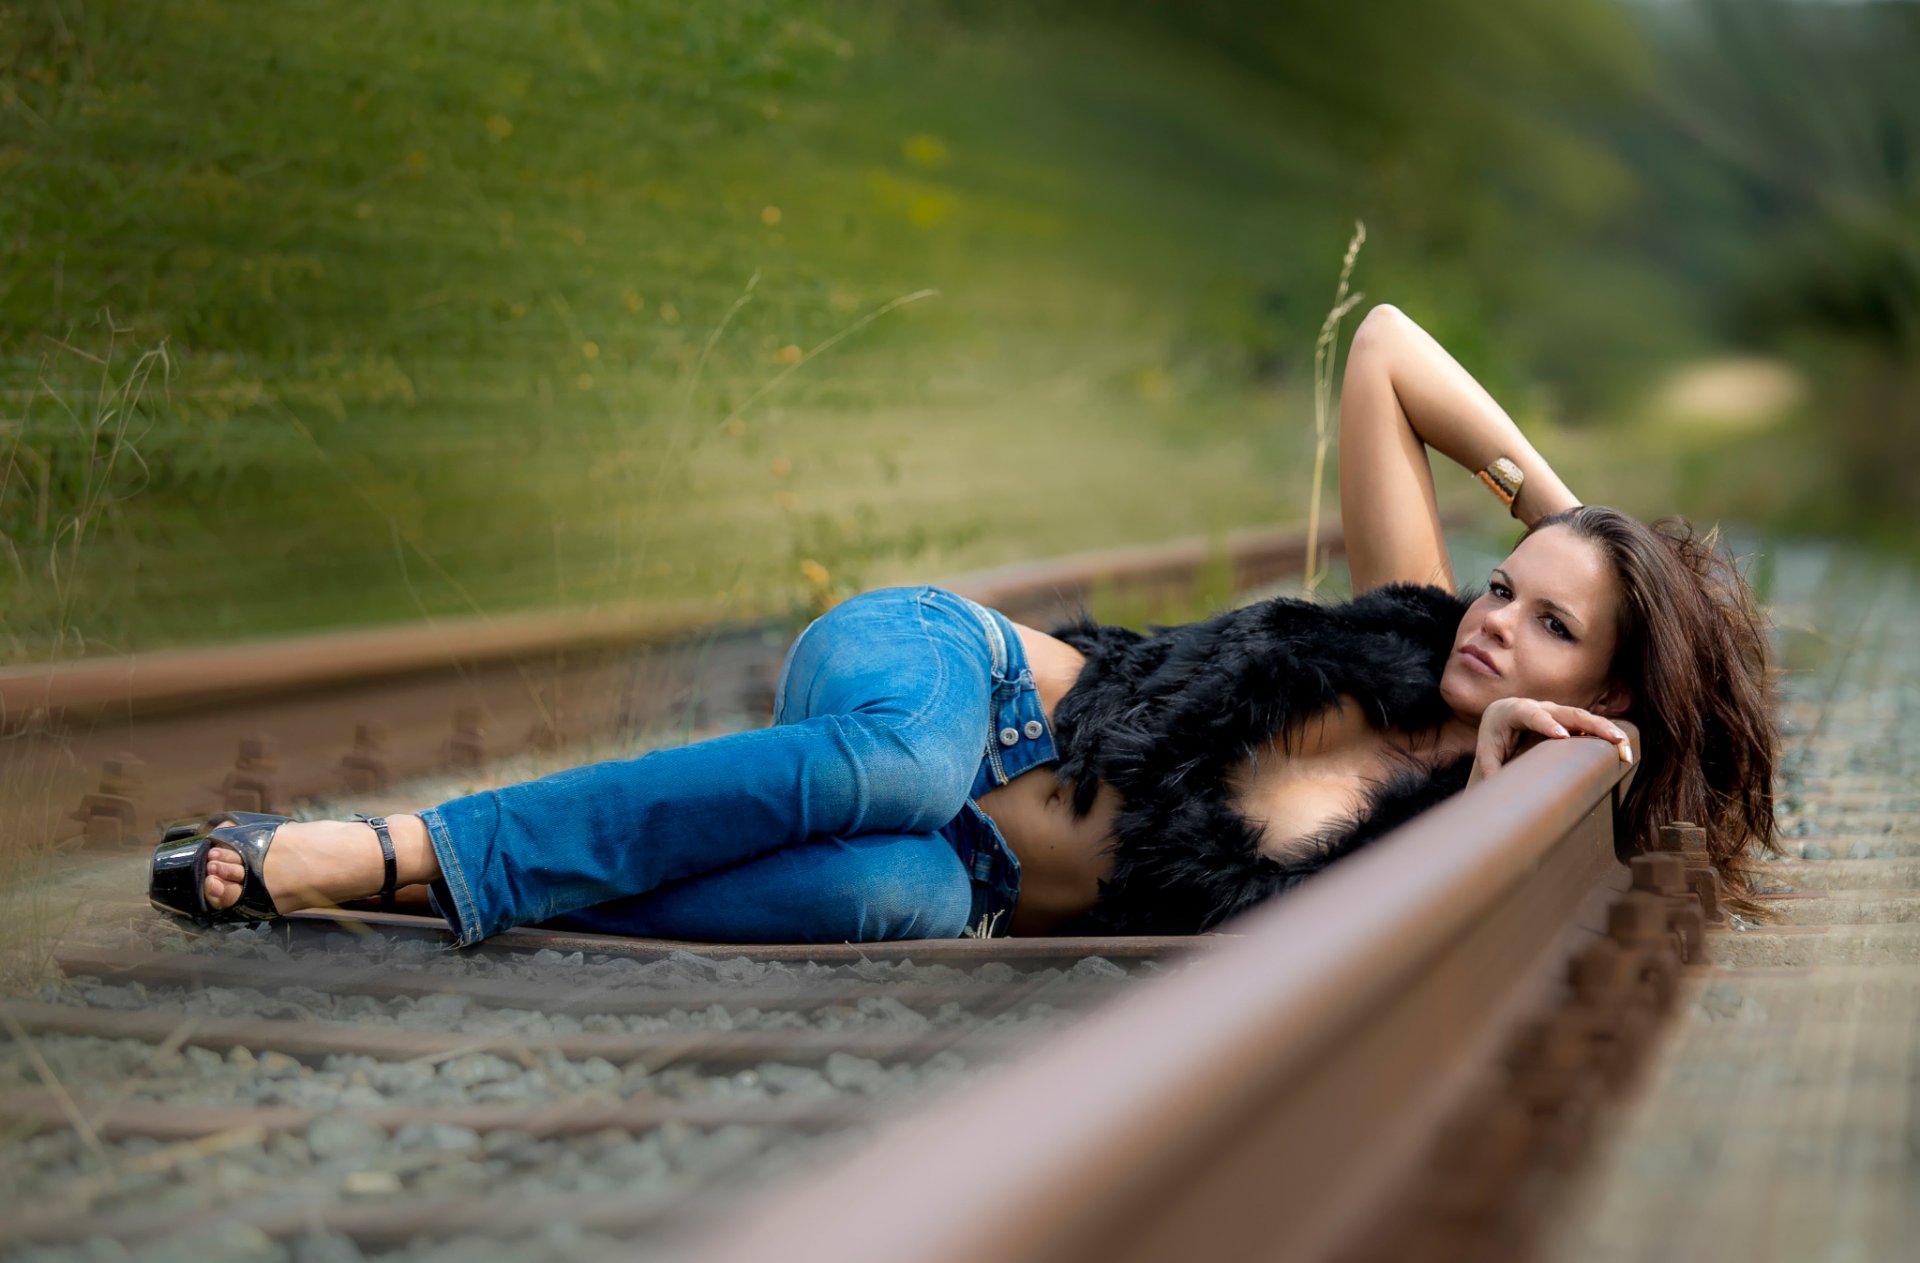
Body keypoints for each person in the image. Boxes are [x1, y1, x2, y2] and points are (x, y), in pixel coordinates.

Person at [148, 304, 1778, 942]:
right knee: (890, 776)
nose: (1494, 624)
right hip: (958, 682)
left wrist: (1502, 749)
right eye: (1511, 588)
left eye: (1549, 630)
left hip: (977, 876)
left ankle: (462, 886)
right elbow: (1387, 350)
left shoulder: (1487, 818)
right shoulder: (1407, 616)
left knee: (891, 893)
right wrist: (1571, 524)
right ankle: (388, 847)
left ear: (1607, 696)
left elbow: (1434, 907)